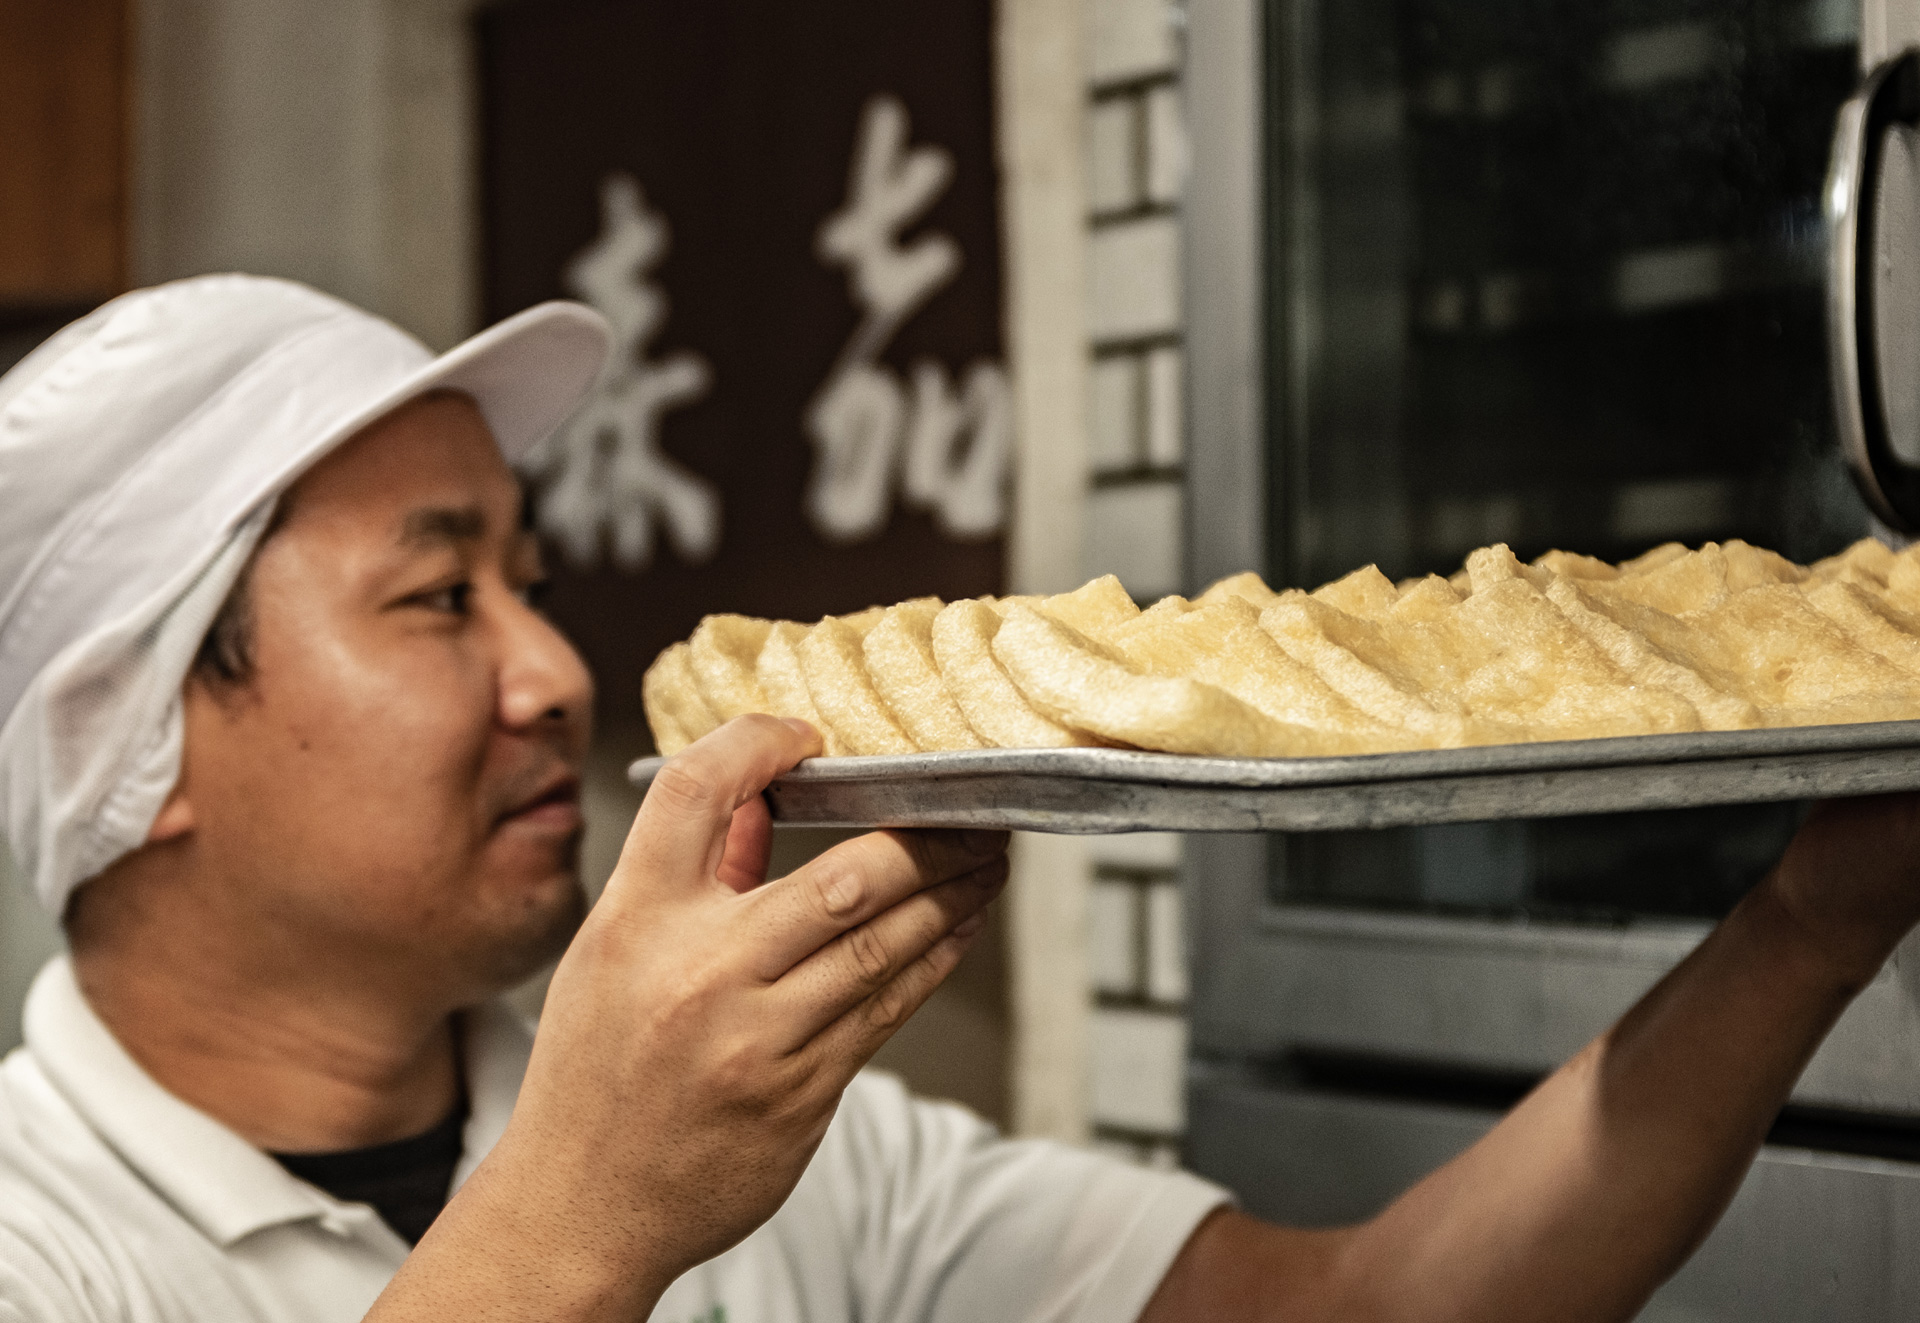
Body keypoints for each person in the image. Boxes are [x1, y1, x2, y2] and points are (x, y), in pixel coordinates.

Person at [0, 275, 1917, 1323]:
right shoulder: (42, 1246)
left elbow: (1367, 1319)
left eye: (534, 579)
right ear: (138, 745)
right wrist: (584, 1218)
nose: (555, 674)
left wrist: (1805, 935)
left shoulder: (783, 1149)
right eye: (438, 598)